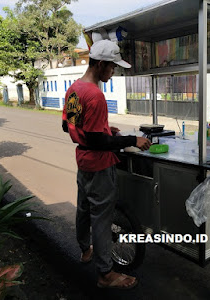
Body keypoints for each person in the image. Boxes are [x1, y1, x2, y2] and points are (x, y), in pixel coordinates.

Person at [62, 39, 151, 289]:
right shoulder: (96, 95)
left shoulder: (75, 90)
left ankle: (85, 249)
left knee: (83, 208)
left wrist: (103, 129)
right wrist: (133, 139)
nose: (113, 73)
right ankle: (105, 273)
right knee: (102, 219)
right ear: (101, 64)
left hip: (83, 161)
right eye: (112, 68)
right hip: (99, 164)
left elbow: (68, 125)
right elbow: (97, 141)